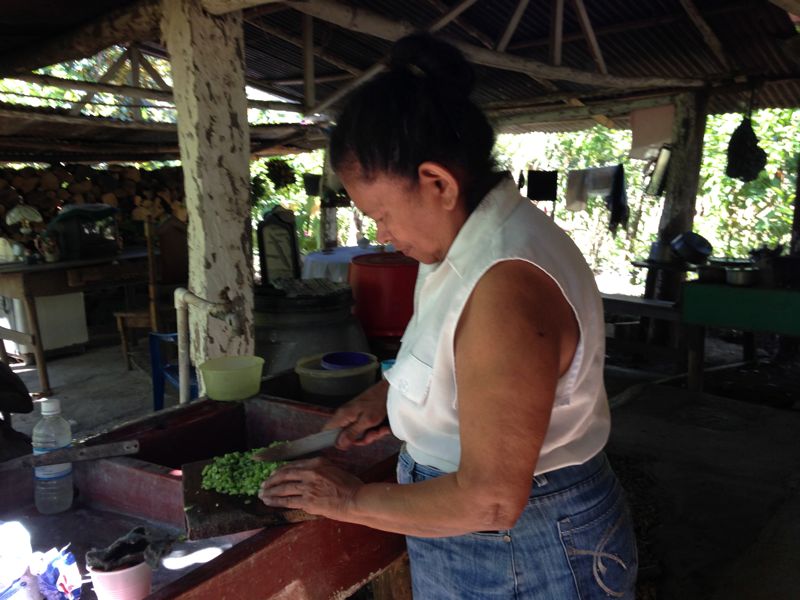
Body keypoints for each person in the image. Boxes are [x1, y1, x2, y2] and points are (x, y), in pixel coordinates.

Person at [260, 34, 638, 599]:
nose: (381, 235)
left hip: (527, 546)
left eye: (381, 213)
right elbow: (452, 357)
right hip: (486, 534)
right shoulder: (464, 239)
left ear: (437, 182)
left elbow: (490, 499)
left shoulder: (504, 284)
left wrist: (347, 499)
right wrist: (391, 397)